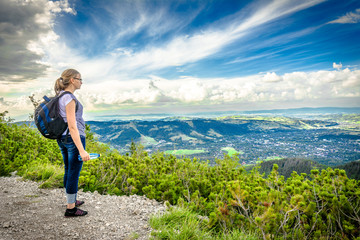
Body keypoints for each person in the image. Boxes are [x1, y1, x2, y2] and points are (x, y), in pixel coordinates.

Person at [54, 68, 90, 217]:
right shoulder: (69, 98)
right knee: (74, 172)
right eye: (80, 79)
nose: (81, 82)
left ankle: (72, 200)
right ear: (73, 80)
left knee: (69, 170)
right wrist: (82, 150)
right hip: (73, 139)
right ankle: (71, 208)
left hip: (62, 138)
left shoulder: (59, 96)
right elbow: (72, 125)